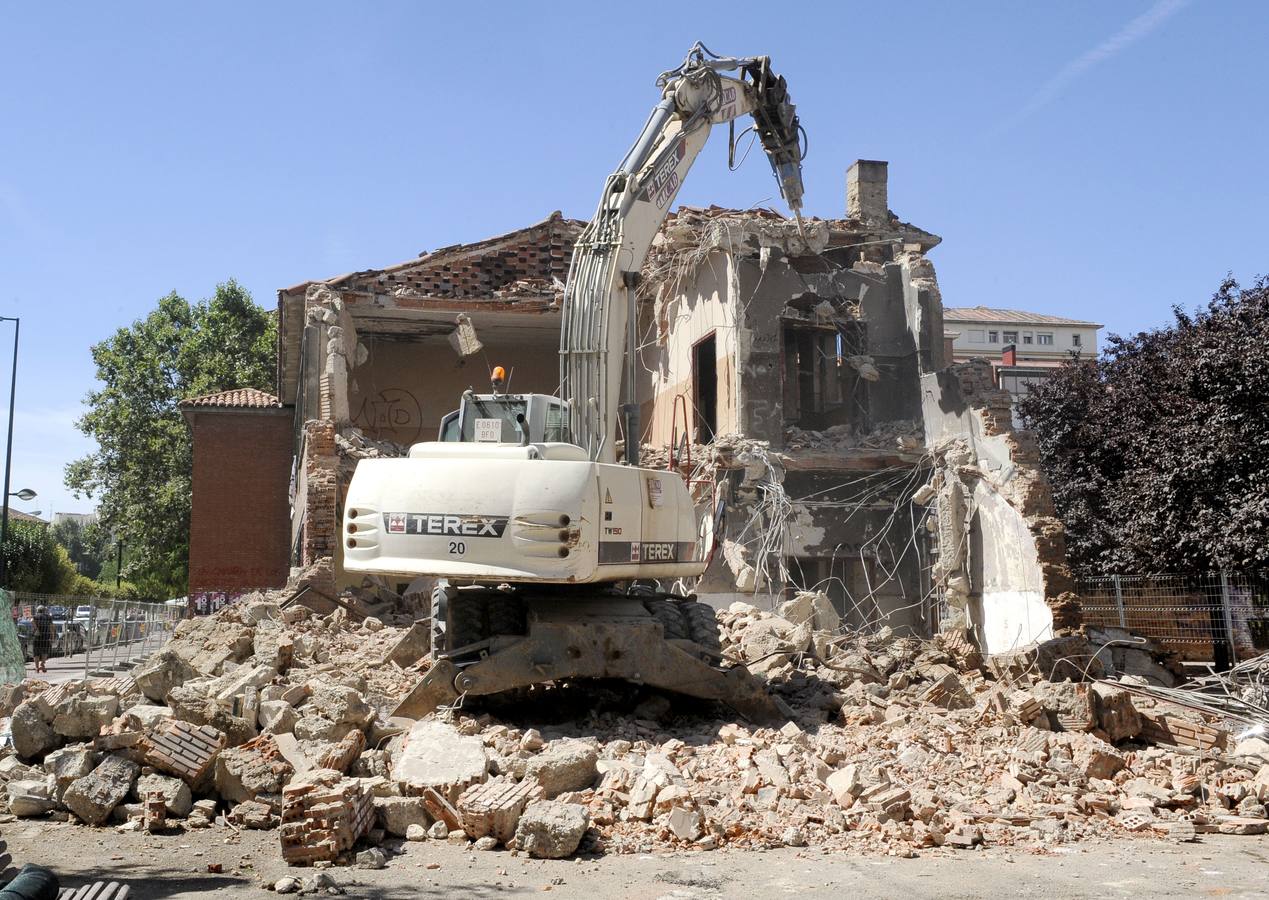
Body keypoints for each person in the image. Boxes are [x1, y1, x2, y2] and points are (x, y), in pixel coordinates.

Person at [31, 605, 54, 674]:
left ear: (37, 610)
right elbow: (51, 627)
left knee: (36, 653)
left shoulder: (35, 616)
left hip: (37, 637)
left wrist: (36, 628)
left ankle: (36, 667)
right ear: (44, 610)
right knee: (45, 652)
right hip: (46, 637)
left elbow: (31, 620)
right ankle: (42, 664)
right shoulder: (48, 617)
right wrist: (52, 636)